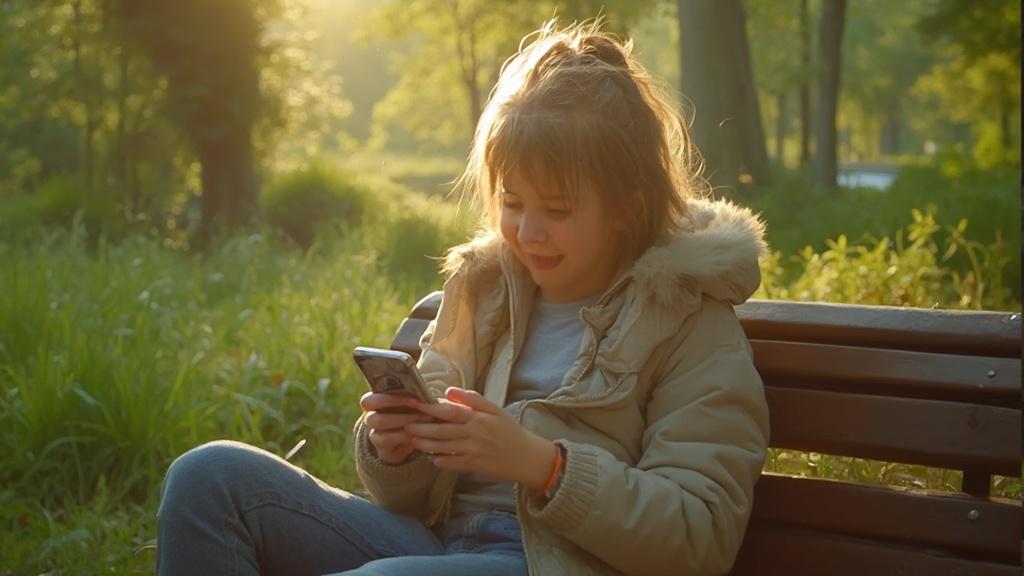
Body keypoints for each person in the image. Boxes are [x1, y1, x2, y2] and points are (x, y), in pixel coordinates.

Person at [155, 19, 770, 576]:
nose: (527, 232)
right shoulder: (485, 292)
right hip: (442, 548)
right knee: (208, 479)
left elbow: (699, 538)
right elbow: (407, 500)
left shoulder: (689, 322)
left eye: (556, 210)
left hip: (557, 563)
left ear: (626, 209)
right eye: (512, 202)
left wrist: (544, 466)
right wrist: (395, 450)